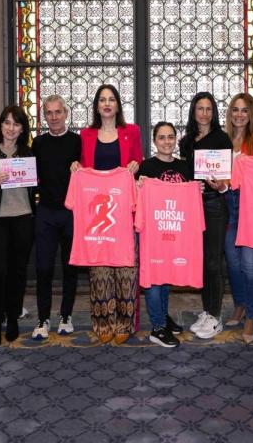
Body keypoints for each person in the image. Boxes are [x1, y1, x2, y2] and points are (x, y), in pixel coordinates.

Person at [75, 84, 143, 345]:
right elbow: (83, 167)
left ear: (118, 105)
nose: (106, 104)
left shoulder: (131, 132)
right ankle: (103, 322)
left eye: (111, 99)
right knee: (100, 268)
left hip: (123, 209)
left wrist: (137, 166)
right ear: (96, 105)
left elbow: (139, 161)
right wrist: (76, 167)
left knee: (126, 267)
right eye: (102, 99)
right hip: (96, 213)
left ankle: (125, 322)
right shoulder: (86, 134)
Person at [0, 106, 37, 346]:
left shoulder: (30, 154)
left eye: (16, 124)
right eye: (7, 123)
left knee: (17, 273)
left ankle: (12, 318)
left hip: (23, 218)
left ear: (22, 128)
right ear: (0, 125)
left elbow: (37, 185)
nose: (11, 128)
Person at [178, 91, 233, 340]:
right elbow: (185, 174)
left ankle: (216, 315)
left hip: (214, 205)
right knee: (201, 262)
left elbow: (226, 177)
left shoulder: (221, 138)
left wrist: (217, 183)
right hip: (192, 206)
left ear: (214, 112)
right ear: (193, 111)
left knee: (213, 261)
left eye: (209, 109)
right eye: (200, 108)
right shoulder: (186, 140)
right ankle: (206, 310)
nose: (204, 113)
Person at [136, 122, 193, 347]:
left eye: (171, 137)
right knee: (153, 279)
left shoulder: (185, 166)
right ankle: (157, 328)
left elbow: (190, 197)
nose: (167, 141)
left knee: (166, 276)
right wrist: (138, 185)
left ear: (176, 139)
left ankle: (163, 316)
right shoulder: (146, 166)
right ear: (154, 141)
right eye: (162, 137)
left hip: (175, 229)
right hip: (152, 232)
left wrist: (196, 190)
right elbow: (136, 197)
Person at [30, 95, 81, 341]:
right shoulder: (37, 143)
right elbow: (30, 178)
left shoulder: (77, 142)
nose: (53, 117)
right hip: (46, 212)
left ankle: (66, 315)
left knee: (70, 268)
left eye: (58, 112)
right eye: (49, 113)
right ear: (44, 116)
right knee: (43, 268)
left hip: (71, 212)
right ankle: (42, 318)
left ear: (66, 113)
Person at [223, 93, 253, 344]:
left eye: (244, 110)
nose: (239, 115)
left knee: (250, 265)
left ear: (251, 113)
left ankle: (252, 315)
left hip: (250, 208)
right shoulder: (224, 140)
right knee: (232, 262)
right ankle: (240, 304)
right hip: (227, 206)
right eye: (235, 110)